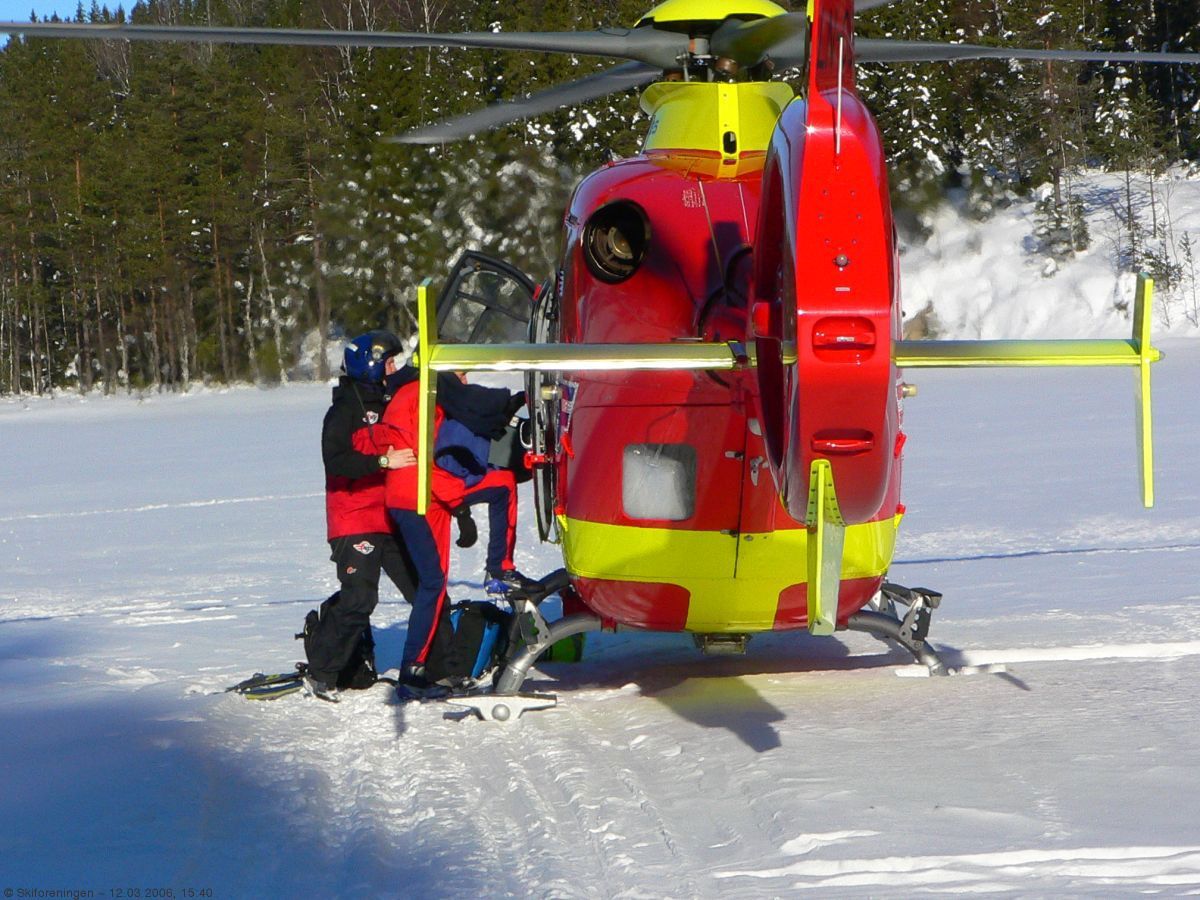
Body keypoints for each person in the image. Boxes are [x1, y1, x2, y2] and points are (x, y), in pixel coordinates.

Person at [352, 360, 533, 694]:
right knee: (433, 585)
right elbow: (428, 459)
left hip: (423, 496)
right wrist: (461, 508)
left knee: (434, 586)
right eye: (462, 372)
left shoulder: (421, 392)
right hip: (418, 497)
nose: (465, 380)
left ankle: (423, 669)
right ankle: (412, 673)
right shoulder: (424, 395)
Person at [305, 330, 419, 701]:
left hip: (391, 518)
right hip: (353, 519)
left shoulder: (386, 397)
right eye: (388, 362)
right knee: (359, 599)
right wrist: (383, 461)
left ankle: (436, 669)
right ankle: (322, 671)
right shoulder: (343, 410)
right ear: (369, 365)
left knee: (425, 591)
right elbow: (335, 459)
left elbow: (413, 375)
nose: (393, 368)